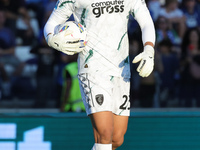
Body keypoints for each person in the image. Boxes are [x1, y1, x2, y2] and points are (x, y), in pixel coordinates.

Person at [44, 0, 155, 150]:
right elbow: (51, 24)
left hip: (121, 69)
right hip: (93, 68)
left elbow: (146, 21)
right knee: (105, 133)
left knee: (117, 138)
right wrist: (51, 38)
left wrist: (149, 50)